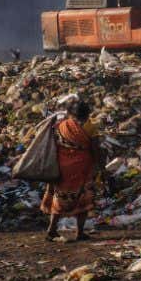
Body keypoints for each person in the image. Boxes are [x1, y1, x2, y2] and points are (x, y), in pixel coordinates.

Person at [41, 100, 102, 241]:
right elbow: (96, 149)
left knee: (59, 197)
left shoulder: (61, 125)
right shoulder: (91, 127)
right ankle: (79, 232)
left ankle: (51, 229)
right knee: (83, 197)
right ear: (87, 113)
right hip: (83, 167)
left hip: (62, 166)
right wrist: (101, 166)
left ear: (70, 113)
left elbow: (53, 144)